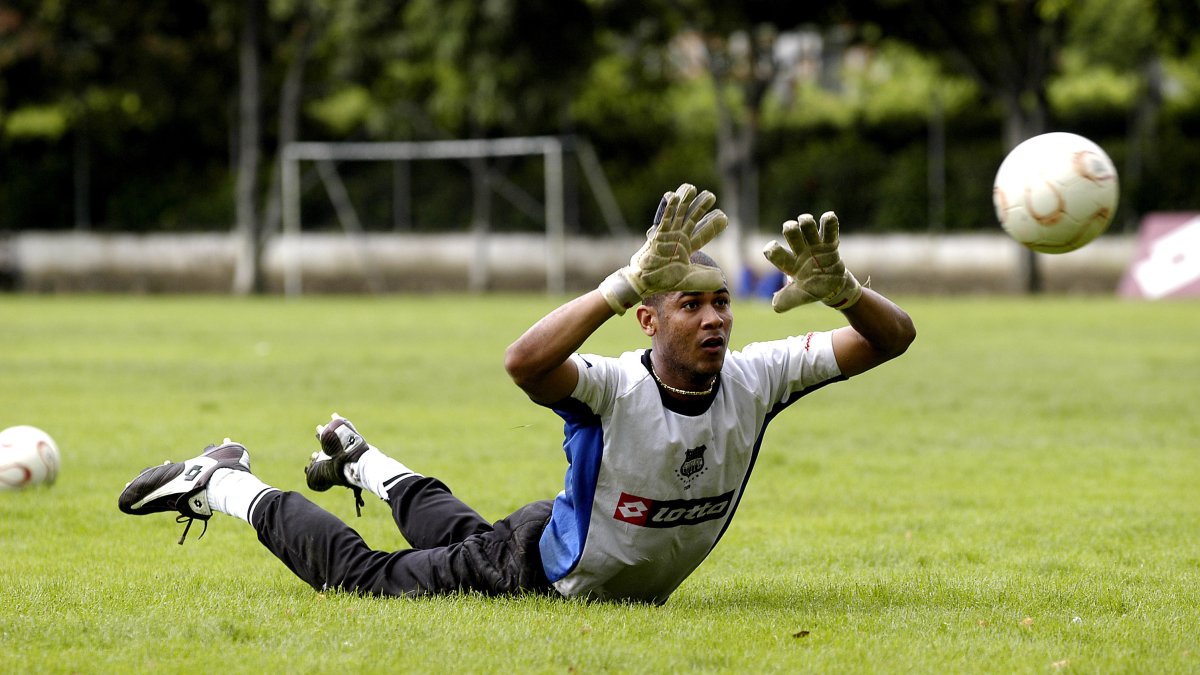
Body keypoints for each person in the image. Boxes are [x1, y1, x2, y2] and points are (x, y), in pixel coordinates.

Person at [118, 183, 915, 604]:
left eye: (720, 303)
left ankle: (362, 460)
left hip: (554, 532)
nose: (714, 319)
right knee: (366, 577)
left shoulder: (756, 376)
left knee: (461, 532)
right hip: (534, 569)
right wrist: (622, 279)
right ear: (647, 319)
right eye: (689, 304)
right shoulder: (612, 386)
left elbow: (891, 338)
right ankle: (222, 478)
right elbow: (525, 363)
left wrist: (846, 292)